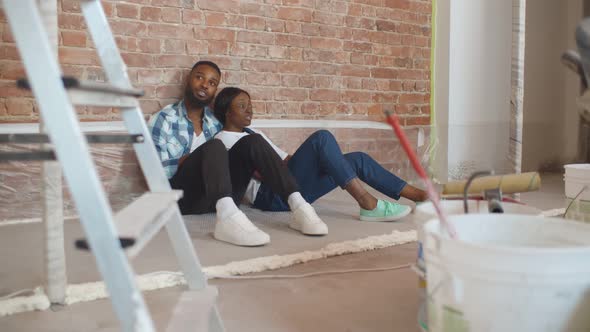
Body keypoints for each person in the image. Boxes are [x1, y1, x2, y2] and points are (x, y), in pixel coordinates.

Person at [148, 61, 327, 247]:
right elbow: (154, 174)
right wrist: (189, 161)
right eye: (199, 77)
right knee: (214, 147)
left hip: (222, 195)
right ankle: (226, 220)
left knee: (254, 140)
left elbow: (240, 149)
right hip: (182, 199)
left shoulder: (215, 122)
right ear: (188, 79)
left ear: (215, 90)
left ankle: (298, 206)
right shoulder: (163, 120)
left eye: (212, 83)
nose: (204, 85)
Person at [213, 87, 429, 222]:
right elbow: (257, 174)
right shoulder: (220, 142)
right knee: (321, 138)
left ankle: (420, 197)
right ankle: (367, 203)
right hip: (270, 197)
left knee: (356, 159)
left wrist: (321, 162)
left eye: (250, 105)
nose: (249, 110)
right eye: (242, 106)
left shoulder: (254, 132)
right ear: (226, 112)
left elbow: (285, 160)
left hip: (287, 183)